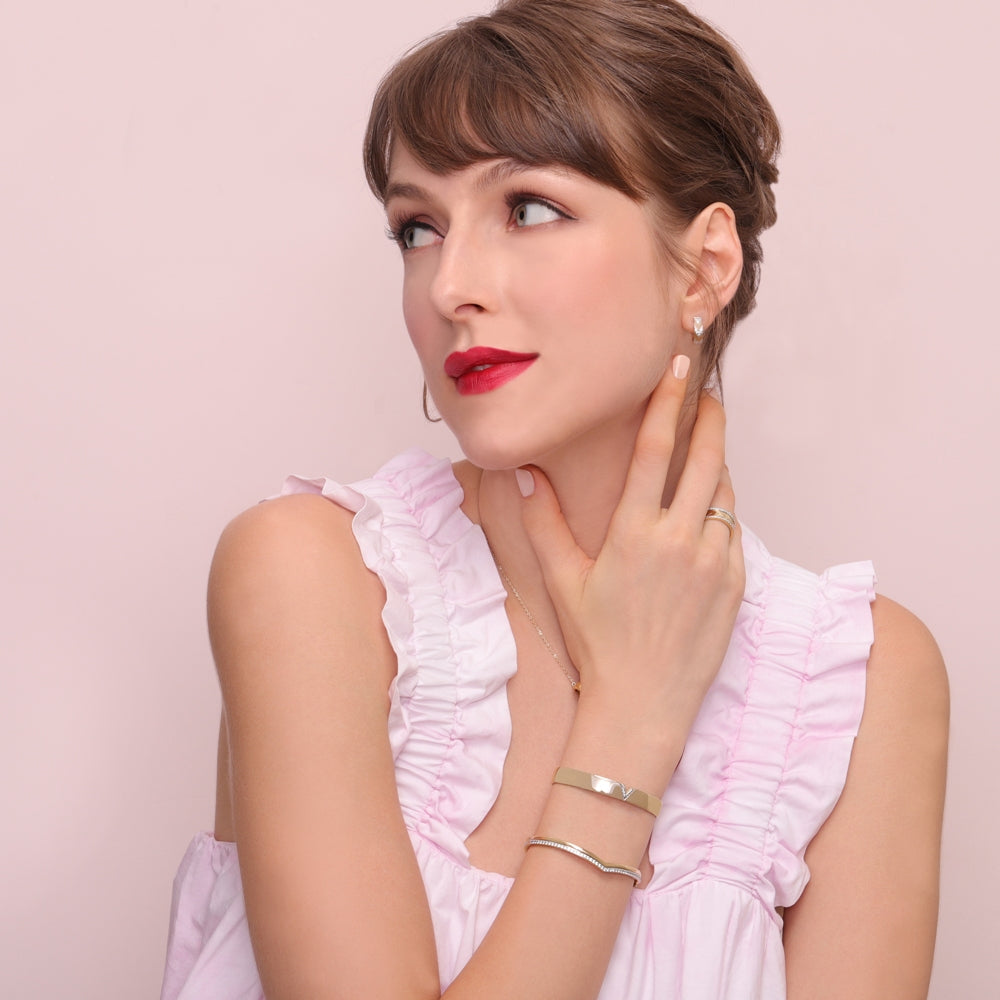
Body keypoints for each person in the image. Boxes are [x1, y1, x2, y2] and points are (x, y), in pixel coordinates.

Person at [160, 1, 948, 997]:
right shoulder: (317, 580)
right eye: (417, 227)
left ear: (704, 266)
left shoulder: (860, 685)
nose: (449, 285)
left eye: (528, 208)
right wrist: (630, 724)